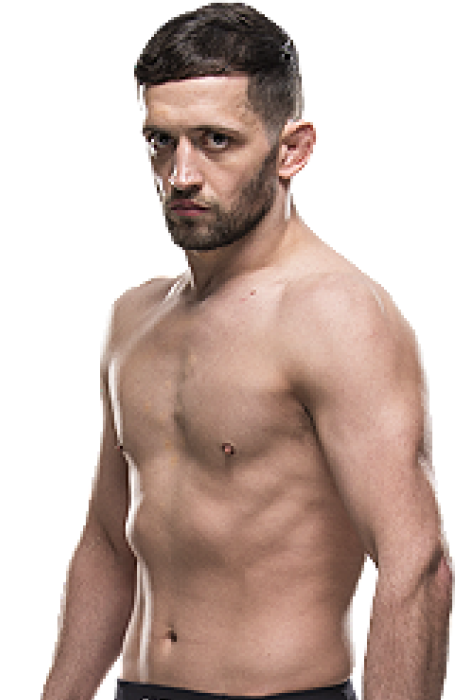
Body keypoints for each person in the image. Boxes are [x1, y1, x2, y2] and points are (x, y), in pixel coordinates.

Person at [42, 3, 453, 700]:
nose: (181, 174)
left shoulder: (336, 316)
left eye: (216, 141)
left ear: (292, 149)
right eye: (162, 140)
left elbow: (416, 563)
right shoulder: (134, 318)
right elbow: (110, 544)